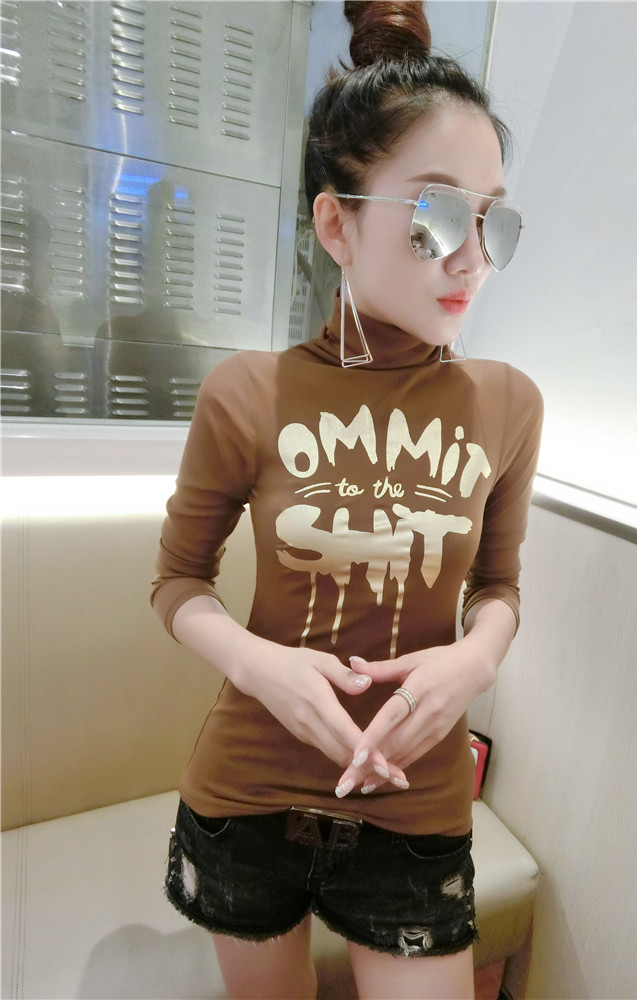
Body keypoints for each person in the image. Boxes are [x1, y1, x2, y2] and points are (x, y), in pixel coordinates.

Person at [151, 2, 543, 997]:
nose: (472, 256)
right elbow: (178, 582)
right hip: (247, 795)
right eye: (437, 214)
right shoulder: (247, 392)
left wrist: (475, 659)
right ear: (337, 223)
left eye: (493, 220)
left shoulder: (508, 404)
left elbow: (499, 587)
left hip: (416, 806)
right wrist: (262, 665)